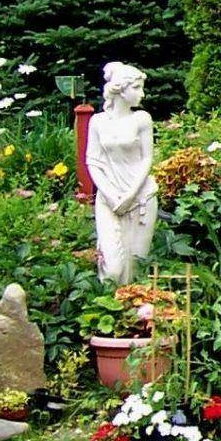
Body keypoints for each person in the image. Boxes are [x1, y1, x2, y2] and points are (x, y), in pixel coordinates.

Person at [87, 62, 156, 285]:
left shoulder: (142, 119)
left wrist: (129, 196)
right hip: (109, 199)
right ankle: (108, 313)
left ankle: (137, 316)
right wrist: (110, 195)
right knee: (114, 269)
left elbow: (147, 158)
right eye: (136, 87)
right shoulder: (97, 122)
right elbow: (93, 161)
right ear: (120, 88)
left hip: (140, 197)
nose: (142, 94)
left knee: (136, 267)